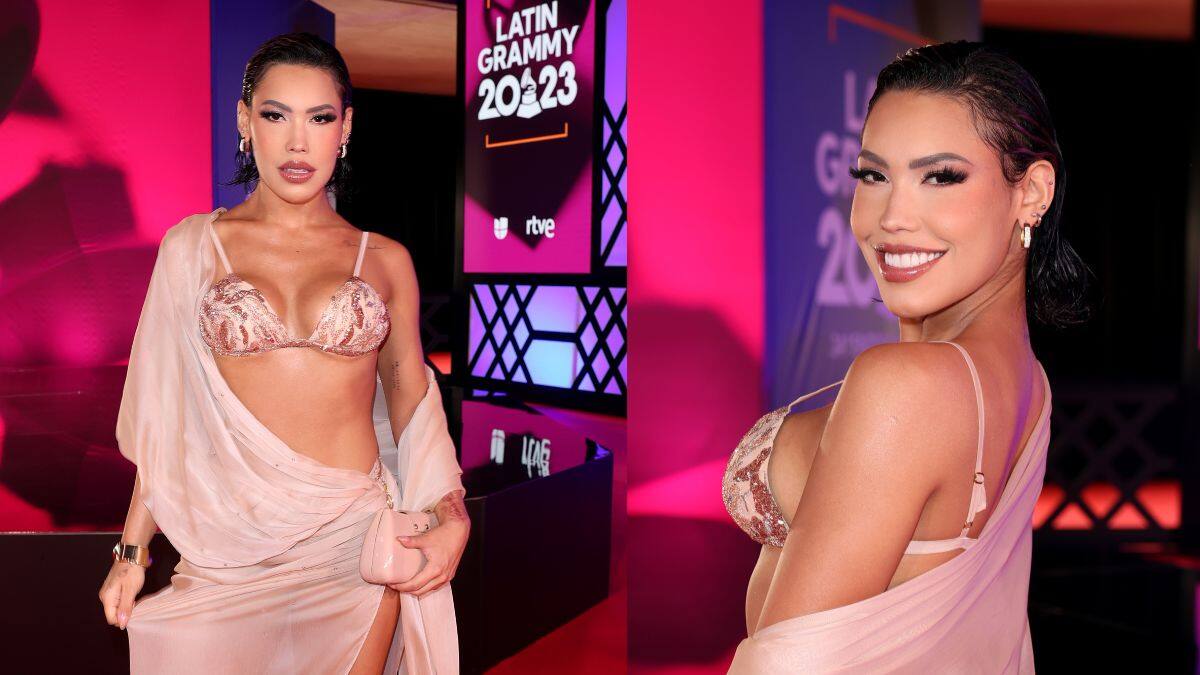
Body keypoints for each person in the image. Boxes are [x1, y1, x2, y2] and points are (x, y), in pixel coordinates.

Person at [96, 32, 468, 674]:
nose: (298, 143)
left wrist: (450, 513)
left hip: (350, 544)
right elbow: (167, 422)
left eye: (319, 118)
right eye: (276, 115)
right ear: (245, 122)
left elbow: (412, 398)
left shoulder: (385, 260)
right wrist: (131, 554)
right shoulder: (191, 250)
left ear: (345, 128)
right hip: (225, 546)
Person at [723, 41, 1090, 673]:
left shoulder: (907, 385)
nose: (892, 217)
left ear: (1032, 192)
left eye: (940, 177)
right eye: (873, 176)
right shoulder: (1028, 380)